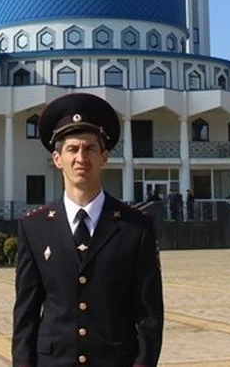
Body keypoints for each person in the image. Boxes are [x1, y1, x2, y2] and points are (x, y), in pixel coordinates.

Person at [12, 92, 164, 367]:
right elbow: (26, 317)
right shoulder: (34, 228)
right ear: (57, 158)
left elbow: (149, 316)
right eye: (72, 149)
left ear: (104, 156)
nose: (81, 157)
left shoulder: (135, 227)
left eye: (90, 148)